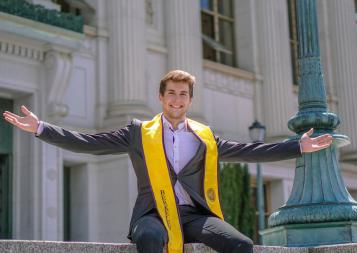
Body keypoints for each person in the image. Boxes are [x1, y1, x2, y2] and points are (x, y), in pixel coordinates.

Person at [3, 70, 332, 253]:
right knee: (148, 239)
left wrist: (297, 147)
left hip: (194, 217)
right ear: (161, 97)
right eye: (171, 93)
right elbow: (88, 143)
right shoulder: (139, 133)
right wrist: (42, 128)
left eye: (183, 94)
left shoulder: (204, 137)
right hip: (152, 214)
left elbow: (250, 150)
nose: (177, 99)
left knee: (241, 244)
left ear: (190, 100)